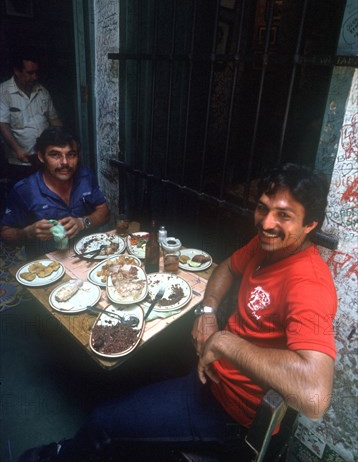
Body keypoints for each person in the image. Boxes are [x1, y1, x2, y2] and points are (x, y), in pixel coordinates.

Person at [18, 163, 337, 462]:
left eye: (284, 216)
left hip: (229, 411)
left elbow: (315, 396)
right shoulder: (267, 243)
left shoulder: (308, 283)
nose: (267, 223)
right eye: (263, 208)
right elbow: (226, 267)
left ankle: (59, 455)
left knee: (103, 420)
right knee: (134, 363)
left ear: (309, 225)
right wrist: (209, 311)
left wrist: (225, 343)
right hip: (211, 373)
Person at [0, 126, 109, 258]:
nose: (64, 162)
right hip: (46, 264)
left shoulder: (85, 176)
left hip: (85, 254)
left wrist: (83, 222)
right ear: (41, 156)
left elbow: (103, 211)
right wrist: (28, 232)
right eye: (55, 155)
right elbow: (6, 234)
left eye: (71, 155)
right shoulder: (24, 190)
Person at [0, 48, 62, 185]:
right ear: (17, 71)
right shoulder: (4, 92)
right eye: (29, 73)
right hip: (20, 160)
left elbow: (54, 120)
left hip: (44, 158)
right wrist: (17, 149)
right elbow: (2, 123)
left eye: (36, 72)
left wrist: (62, 143)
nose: (34, 77)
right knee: (25, 196)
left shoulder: (42, 91)